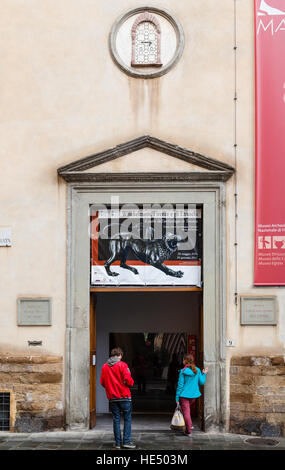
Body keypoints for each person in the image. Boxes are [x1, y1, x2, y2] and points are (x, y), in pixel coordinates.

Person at [100, 347, 136, 449]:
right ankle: (126, 442)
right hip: (124, 396)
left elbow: (102, 382)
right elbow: (128, 380)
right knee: (127, 419)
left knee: (116, 419)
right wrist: (131, 383)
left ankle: (117, 443)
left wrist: (111, 388)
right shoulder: (123, 365)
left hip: (112, 398)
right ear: (120, 355)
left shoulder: (104, 366)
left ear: (112, 355)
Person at [175, 353, 208, 436]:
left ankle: (188, 430)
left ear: (185, 361)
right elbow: (202, 382)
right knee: (187, 411)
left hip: (184, 396)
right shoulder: (197, 370)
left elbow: (180, 385)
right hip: (194, 396)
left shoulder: (183, 371)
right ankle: (190, 424)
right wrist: (204, 374)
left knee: (186, 412)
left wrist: (177, 398)